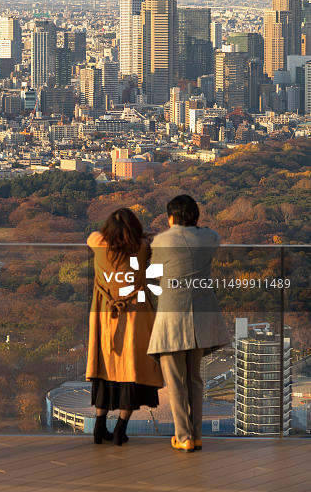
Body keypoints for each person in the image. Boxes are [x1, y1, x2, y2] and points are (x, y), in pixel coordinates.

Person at [147, 194, 229, 453]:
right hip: (201, 316)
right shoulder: (208, 238)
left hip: (172, 315)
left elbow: (154, 273)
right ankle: (196, 435)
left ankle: (183, 436)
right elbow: (213, 234)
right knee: (194, 379)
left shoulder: (162, 241)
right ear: (195, 216)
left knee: (175, 381)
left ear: (171, 218)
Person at [86, 208, 164, 446]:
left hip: (105, 314)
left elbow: (91, 237)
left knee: (105, 370)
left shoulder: (98, 243)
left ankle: (99, 426)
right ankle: (121, 428)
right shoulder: (141, 247)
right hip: (134, 313)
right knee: (132, 369)